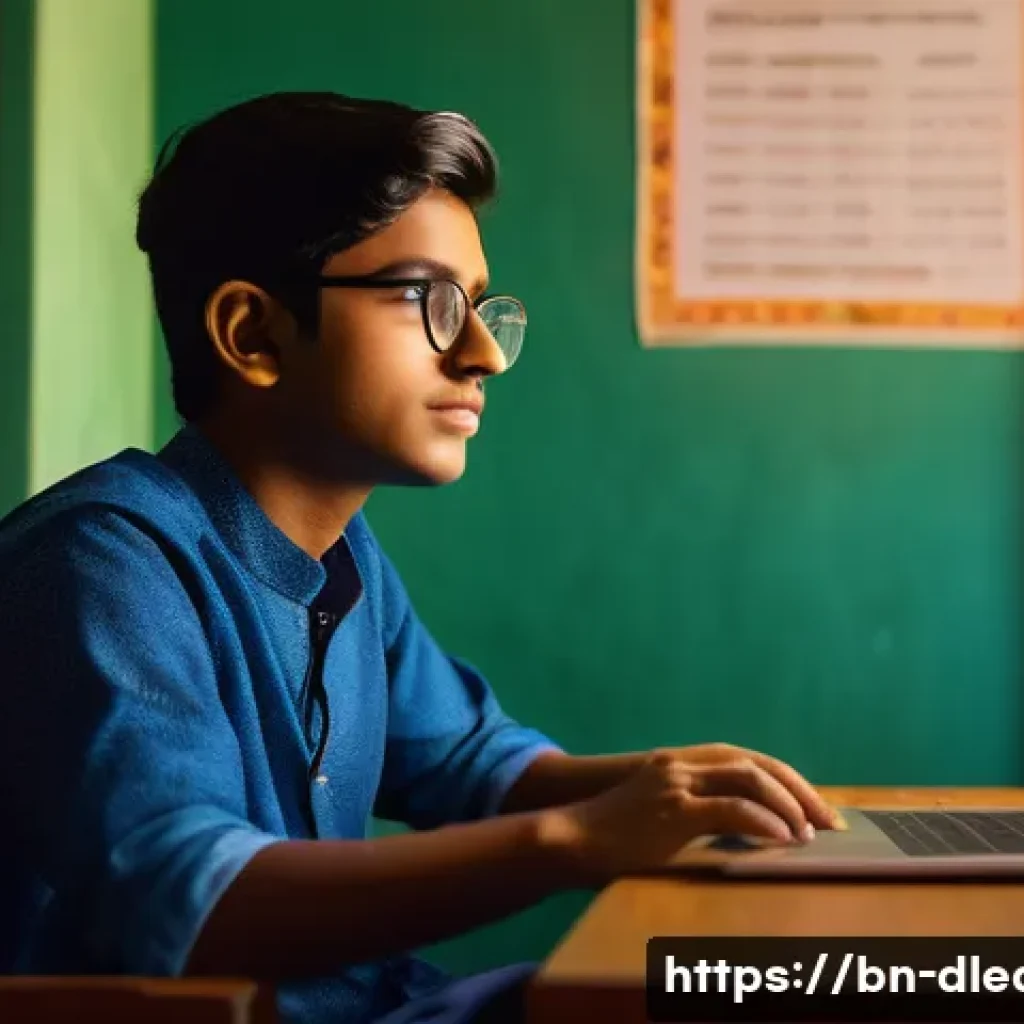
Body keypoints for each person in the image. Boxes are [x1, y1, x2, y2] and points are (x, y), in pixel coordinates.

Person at [0, 92, 841, 1024]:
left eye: (481, 308)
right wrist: (578, 841)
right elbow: (193, 903)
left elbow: (475, 765)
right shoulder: (100, 565)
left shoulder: (343, 556)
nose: (481, 353)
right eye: (428, 300)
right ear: (253, 334)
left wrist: (681, 788)